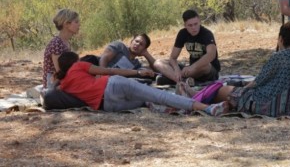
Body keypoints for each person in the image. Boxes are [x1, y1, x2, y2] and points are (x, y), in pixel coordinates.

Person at [177, 19, 290, 117]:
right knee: (229, 90)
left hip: (265, 105)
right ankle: (198, 94)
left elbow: (257, 82)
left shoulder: (278, 57)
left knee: (224, 90)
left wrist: (240, 91)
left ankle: (195, 97)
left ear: (281, 39)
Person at [54, 51, 227, 116]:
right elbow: (109, 71)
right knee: (158, 95)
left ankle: (176, 103)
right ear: (74, 61)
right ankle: (207, 108)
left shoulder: (63, 84)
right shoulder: (79, 66)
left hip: (107, 106)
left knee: (147, 100)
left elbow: (50, 92)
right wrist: (136, 73)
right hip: (113, 85)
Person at [154, 10, 220, 85]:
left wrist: (192, 67)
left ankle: (174, 79)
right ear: (185, 25)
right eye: (190, 25)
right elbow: (173, 58)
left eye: (196, 24)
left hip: (208, 70)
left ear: (199, 21)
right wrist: (176, 69)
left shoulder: (206, 34)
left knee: (205, 65)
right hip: (190, 71)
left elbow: (211, 55)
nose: (194, 28)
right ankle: (181, 80)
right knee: (158, 62)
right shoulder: (182, 34)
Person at [42, 9, 80, 89]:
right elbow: (59, 71)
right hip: (54, 84)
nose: (79, 24)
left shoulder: (65, 42)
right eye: (76, 22)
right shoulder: (57, 43)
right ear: (66, 24)